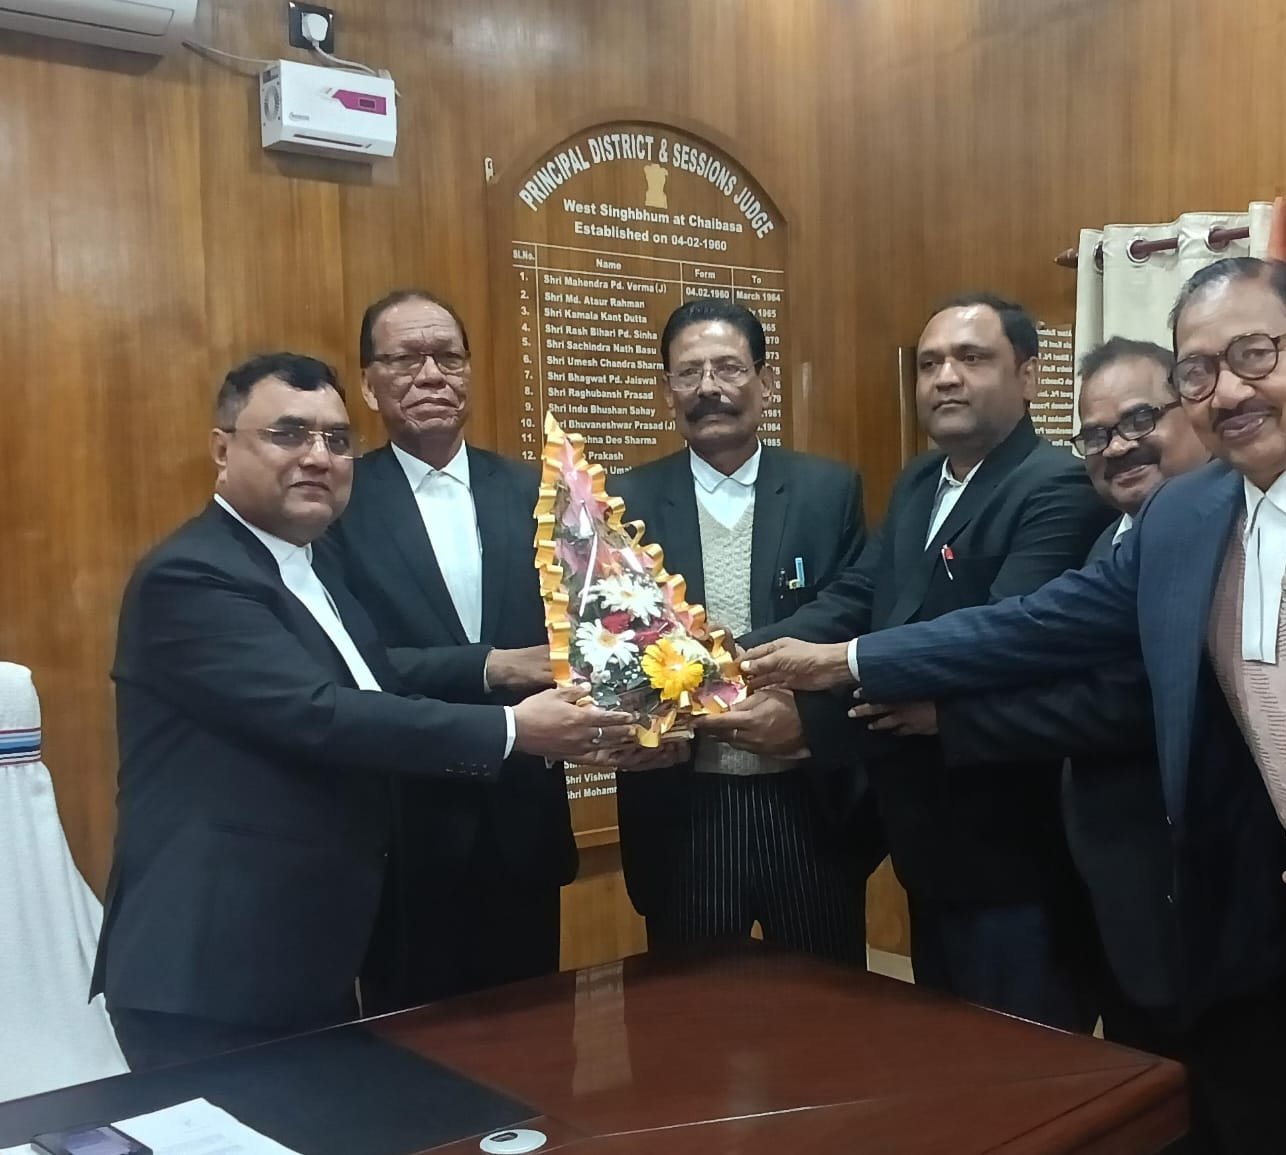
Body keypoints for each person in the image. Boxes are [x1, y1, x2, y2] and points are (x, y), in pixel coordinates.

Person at [744, 258, 1286, 1155]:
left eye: (1256, 353)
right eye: (1197, 371)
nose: (1228, 390)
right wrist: (849, 658)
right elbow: (1038, 623)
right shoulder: (1187, 517)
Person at [93, 353, 634, 1070]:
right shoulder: (192, 576)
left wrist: (557, 717)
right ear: (223, 449)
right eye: (289, 434)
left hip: (305, 948)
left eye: (337, 440)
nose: (318, 457)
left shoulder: (312, 567)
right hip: (212, 964)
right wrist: (513, 728)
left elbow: (380, 691)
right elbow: (320, 714)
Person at [938, 338, 1286, 1154]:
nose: (1118, 446)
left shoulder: (1236, 538)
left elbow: (1130, 701)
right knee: (1152, 1115)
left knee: (1247, 1118)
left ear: (1195, 413)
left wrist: (943, 716)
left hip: (1222, 921)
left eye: (1141, 419)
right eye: (1096, 433)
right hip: (1122, 909)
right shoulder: (1109, 543)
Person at [738, 293, 1113, 1029]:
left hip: (1012, 850)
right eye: (931, 362)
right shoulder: (920, 480)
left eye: (972, 358)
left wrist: (833, 677)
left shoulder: (1058, 486)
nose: (945, 377)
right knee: (947, 1052)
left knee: (1022, 1062)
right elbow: (858, 593)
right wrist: (738, 653)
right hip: (923, 842)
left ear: (1029, 375)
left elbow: (999, 638)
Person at [322, 290, 576, 1013]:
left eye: (448, 357)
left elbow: (584, 629)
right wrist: (492, 665)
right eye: (406, 359)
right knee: (415, 1044)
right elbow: (344, 662)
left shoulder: (536, 490)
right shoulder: (337, 500)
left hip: (522, 818)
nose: (431, 375)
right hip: (405, 824)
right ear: (368, 383)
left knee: (538, 1038)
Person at [604, 298, 879, 964]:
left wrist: (796, 709)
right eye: (689, 372)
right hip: (684, 806)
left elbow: (857, 615)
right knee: (692, 1010)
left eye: (728, 368)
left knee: (826, 1005)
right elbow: (611, 640)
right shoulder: (624, 502)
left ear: (765, 380)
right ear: (666, 389)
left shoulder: (827, 491)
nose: (709, 388)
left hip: (806, 800)